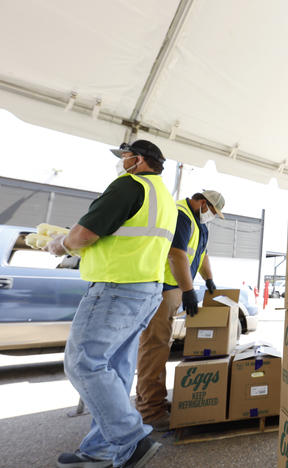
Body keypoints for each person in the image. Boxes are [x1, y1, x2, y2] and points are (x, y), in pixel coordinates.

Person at [46, 139, 177, 468]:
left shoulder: (128, 186)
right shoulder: (165, 199)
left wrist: (60, 243)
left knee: (83, 363)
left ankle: (131, 441)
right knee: (115, 368)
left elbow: (85, 234)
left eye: (125, 156)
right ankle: (102, 449)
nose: (122, 162)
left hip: (116, 288)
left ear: (140, 160)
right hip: (146, 290)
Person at [135, 190, 225, 431]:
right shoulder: (181, 215)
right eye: (213, 212)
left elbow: (202, 254)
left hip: (173, 289)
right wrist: (188, 290)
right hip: (162, 288)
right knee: (154, 347)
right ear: (203, 203)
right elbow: (176, 254)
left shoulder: (200, 224)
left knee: (161, 347)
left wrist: (209, 280)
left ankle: (157, 403)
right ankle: (150, 410)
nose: (212, 217)